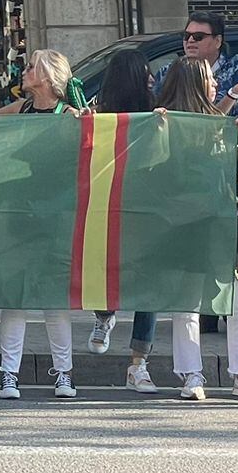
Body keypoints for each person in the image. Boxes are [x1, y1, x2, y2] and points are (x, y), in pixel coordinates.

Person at [157, 57, 238, 403]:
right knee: (187, 301)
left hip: (230, 220)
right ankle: (191, 374)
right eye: (209, 79)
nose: (215, 85)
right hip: (185, 221)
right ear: (194, 83)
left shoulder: (224, 123)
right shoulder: (165, 123)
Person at [0, 50, 78, 401]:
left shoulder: (70, 115)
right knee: (15, 296)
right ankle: (9, 374)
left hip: (57, 215)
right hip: (21, 212)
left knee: (54, 300)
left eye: (31, 67)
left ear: (48, 75)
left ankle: (64, 373)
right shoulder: (22, 109)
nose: (25, 71)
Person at [85, 46, 161, 390]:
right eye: (144, 71)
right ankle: (104, 315)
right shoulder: (99, 114)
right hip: (112, 200)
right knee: (108, 264)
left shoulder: (156, 110)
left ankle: (138, 362)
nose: (151, 77)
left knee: (148, 282)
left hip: (146, 203)